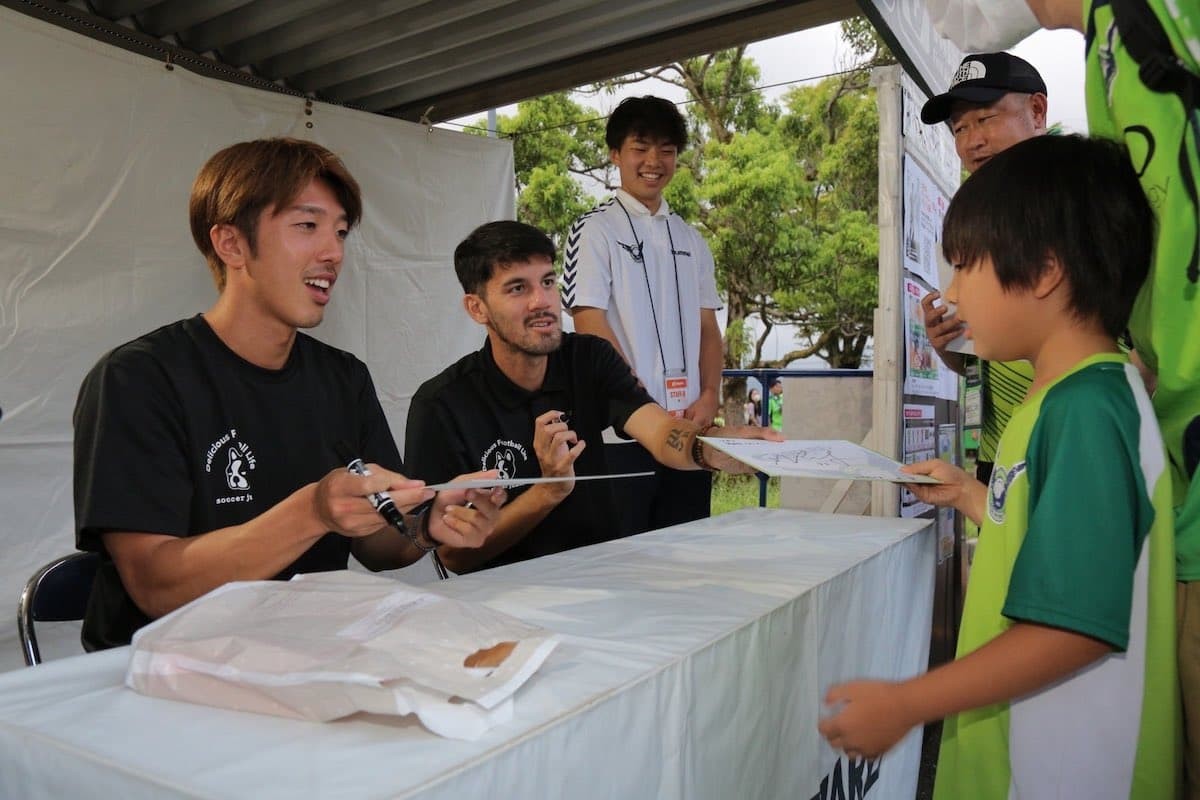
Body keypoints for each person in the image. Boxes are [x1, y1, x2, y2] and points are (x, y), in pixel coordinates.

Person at [819, 135, 1179, 798]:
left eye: (964, 266)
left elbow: (1073, 624)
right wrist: (970, 496)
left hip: (1065, 768)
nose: (951, 293)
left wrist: (909, 703)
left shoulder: (1088, 410)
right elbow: (1060, 539)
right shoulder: (1058, 398)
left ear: (1042, 272)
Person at [72, 138, 504, 650]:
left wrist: (432, 520)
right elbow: (154, 584)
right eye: (307, 226)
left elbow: (378, 545)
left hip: (305, 657)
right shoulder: (139, 379)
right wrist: (313, 511)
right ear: (231, 244)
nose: (334, 252)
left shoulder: (343, 379)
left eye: (340, 231)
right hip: (160, 678)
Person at [404, 221, 780, 574]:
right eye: (518, 288)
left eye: (548, 282)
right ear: (477, 307)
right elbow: (455, 556)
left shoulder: (589, 358)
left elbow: (661, 431)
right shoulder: (441, 404)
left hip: (605, 581)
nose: (542, 301)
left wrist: (712, 448)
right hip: (504, 606)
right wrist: (549, 490)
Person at [562, 95, 723, 536]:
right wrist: (642, 405)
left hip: (689, 431)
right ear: (616, 154)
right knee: (623, 567)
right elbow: (589, 323)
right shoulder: (593, 229)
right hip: (622, 439)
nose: (654, 161)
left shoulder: (692, 239)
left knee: (686, 559)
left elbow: (709, 328)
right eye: (640, 147)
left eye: (667, 150)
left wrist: (709, 394)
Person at [919, 51, 1048, 484]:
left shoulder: (1083, 205)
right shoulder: (974, 222)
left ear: (1036, 110)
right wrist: (949, 347)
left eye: (986, 118)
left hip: (1067, 449)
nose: (972, 140)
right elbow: (986, 360)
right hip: (997, 457)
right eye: (959, 127)